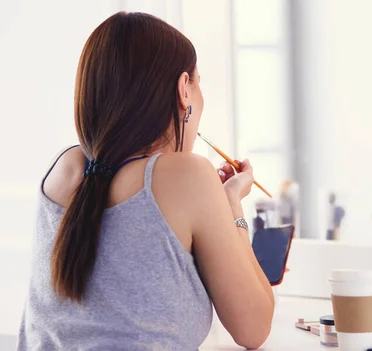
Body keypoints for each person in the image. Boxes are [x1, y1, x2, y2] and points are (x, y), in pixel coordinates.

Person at [17, 12, 274, 350]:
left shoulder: (62, 168)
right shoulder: (188, 175)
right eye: (198, 84)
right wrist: (232, 205)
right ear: (184, 89)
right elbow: (254, 328)